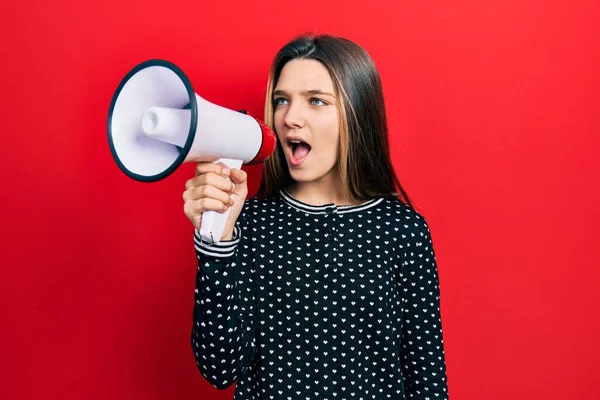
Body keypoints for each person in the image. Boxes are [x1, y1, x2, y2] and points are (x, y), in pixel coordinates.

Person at [183, 33, 449, 399]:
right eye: (281, 101)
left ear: (356, 113)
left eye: (316, 101)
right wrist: (216, 244)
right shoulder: (249, 223)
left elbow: (427, 378)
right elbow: (219, 368)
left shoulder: (402, 230)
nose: (290, 117)